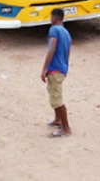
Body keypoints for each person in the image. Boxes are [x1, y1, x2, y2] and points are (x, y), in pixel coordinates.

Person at [40, 8, 72, 137]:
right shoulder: (66, 32)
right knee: (54, 94)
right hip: (62, 68)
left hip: (55, 68)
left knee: (57, 98)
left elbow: (51, 49)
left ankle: (66, 128)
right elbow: (68, 52)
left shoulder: (54, 30)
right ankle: (58, 120)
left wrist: (44, 68)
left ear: (55, 18)